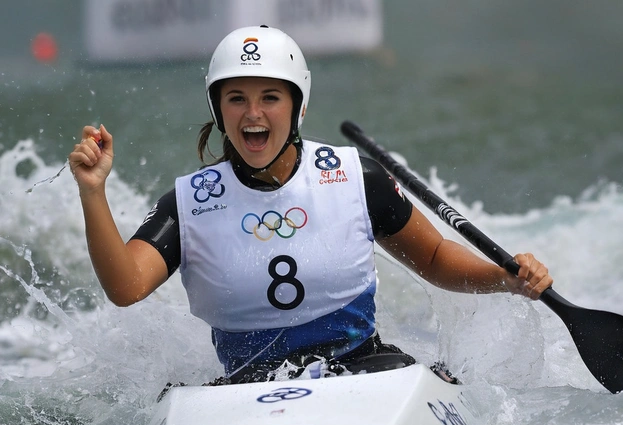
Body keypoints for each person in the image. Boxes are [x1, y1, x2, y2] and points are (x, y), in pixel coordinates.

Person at [68, 25, 552, 384]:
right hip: (246, 384)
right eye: (236, 98)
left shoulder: (355, 178)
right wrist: (93, 191)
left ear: (296, 107)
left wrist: (505, 279)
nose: (253, 113)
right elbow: (126, 286)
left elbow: (433, 258)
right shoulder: (191, 202)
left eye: (270, 97)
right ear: (219, 111)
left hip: (364, 365)